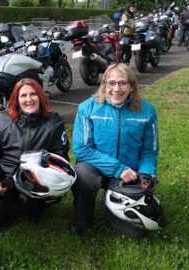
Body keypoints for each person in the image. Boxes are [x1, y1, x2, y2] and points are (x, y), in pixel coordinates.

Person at [69, 63, 159, 237]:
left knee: (134, 234)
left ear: (132, 86)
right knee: (82, 174)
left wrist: (146, 175)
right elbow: (82, 149)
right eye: (111, 83)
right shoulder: (87, 108)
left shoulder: (147, 111)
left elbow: (149, 150)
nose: (116, 89)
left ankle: (111, 202)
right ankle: (82, 219)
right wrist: (118, 169)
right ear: (104, 85)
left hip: (129, 172)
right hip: (96, 167)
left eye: (123, 83)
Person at [0, 78, 70, 227]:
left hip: (37, 179)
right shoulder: (2, 120)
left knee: (35, 215)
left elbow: (61, 155)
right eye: (23, 95)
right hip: (7, 177)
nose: (29, 99)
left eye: (33, 94)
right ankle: (11, 197)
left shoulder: (54, 121)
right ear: (16, 99)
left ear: (40, 96)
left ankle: (37, 202)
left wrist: (51, 179)